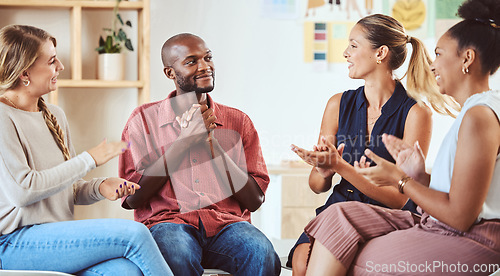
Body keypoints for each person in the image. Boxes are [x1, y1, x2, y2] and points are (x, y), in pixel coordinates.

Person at [302, 0, 500, 274]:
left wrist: (402, 180)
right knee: (336, 218)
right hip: (443, 222)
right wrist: (420, 177)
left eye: (440, 54)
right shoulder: (477, 111)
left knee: (350, 257)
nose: (432, 66)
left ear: (467, 59)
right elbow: (463, 194)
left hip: (468, 234)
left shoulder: (477, 116)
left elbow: (460, 215)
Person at [287, 13, 458, 276]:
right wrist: (323, 171)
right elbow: (317, 186)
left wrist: (342, 168)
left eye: (354, 46)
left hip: (386, 216)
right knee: (300, 262)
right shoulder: (337, 104)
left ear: (381, 53)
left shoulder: (416, 113)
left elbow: (403, 198)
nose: (345, 53)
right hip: (336, 207)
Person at [0, 25, 173, 276]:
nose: (60, 66)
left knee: (127, 271)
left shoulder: (54, 115)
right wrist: (89, 159)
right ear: (24, 71)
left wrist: (99, 187)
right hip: (13, 244)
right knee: (134, 234)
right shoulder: (3, 117)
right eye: (51, 61)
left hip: (54, 240)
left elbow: (64, 188)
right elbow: (23, 191)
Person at [119, 33, 281, 276]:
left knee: (262, 252)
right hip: (168, 224)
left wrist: (210, 143)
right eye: (191, 61)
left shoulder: (238, 121)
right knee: (175, 253)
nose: (205, 67)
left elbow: (254, 201)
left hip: (228, 225)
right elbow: (132, 198)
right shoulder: (142, 121)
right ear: (170, 73)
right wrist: (184, 142)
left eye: (208, 58)